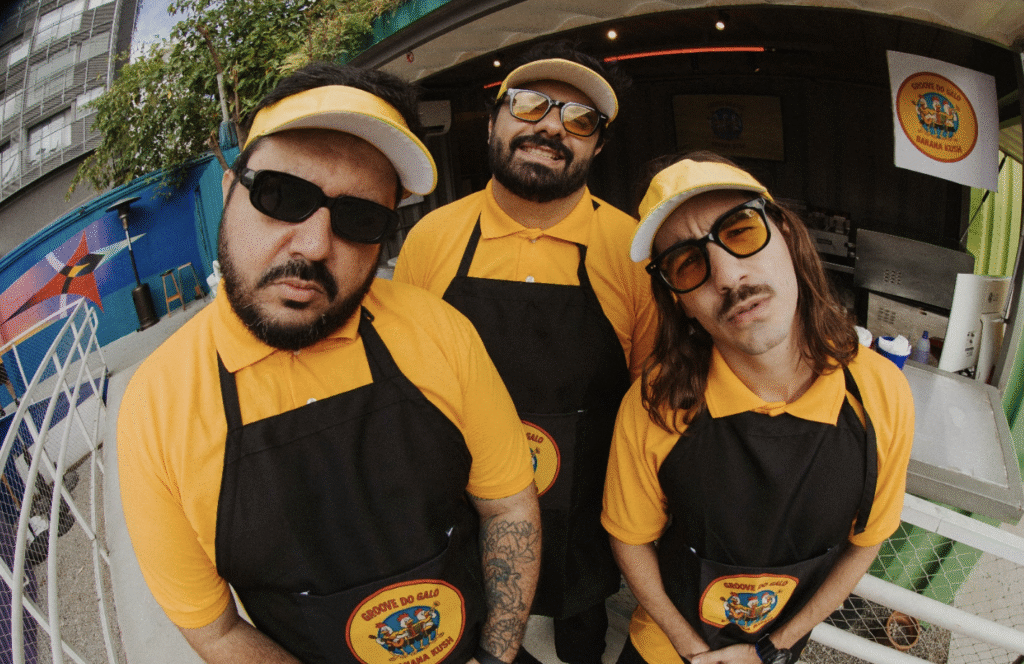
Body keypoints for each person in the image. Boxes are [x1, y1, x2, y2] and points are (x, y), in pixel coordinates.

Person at [118, 62, 542, 664]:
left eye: (359, 218)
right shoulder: (157, 407)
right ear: (229, 189)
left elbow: (509, 506)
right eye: (283, 197)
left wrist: (496, 654)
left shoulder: (439, 332)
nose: (315, 245)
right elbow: (216, 631)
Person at [394, 41, 657, 664]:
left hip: (585, 514)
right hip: (466, 508)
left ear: (598, 146)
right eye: (530, 104)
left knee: (581, 635)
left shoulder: (633, 252)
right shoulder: (432, 239)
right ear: (493, 122)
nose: (552, 128)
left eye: (580, 119)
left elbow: (649, 399)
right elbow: (406, 393)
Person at [601, 152, 914, 664]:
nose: (727, 276)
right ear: (679, 301)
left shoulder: (879, 393)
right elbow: (629, 541)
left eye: (741, 231)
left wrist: (772, 648)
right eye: (687, 262)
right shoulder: (657, 403)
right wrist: (691, 650)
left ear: (787, 235)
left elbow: (866, 543)